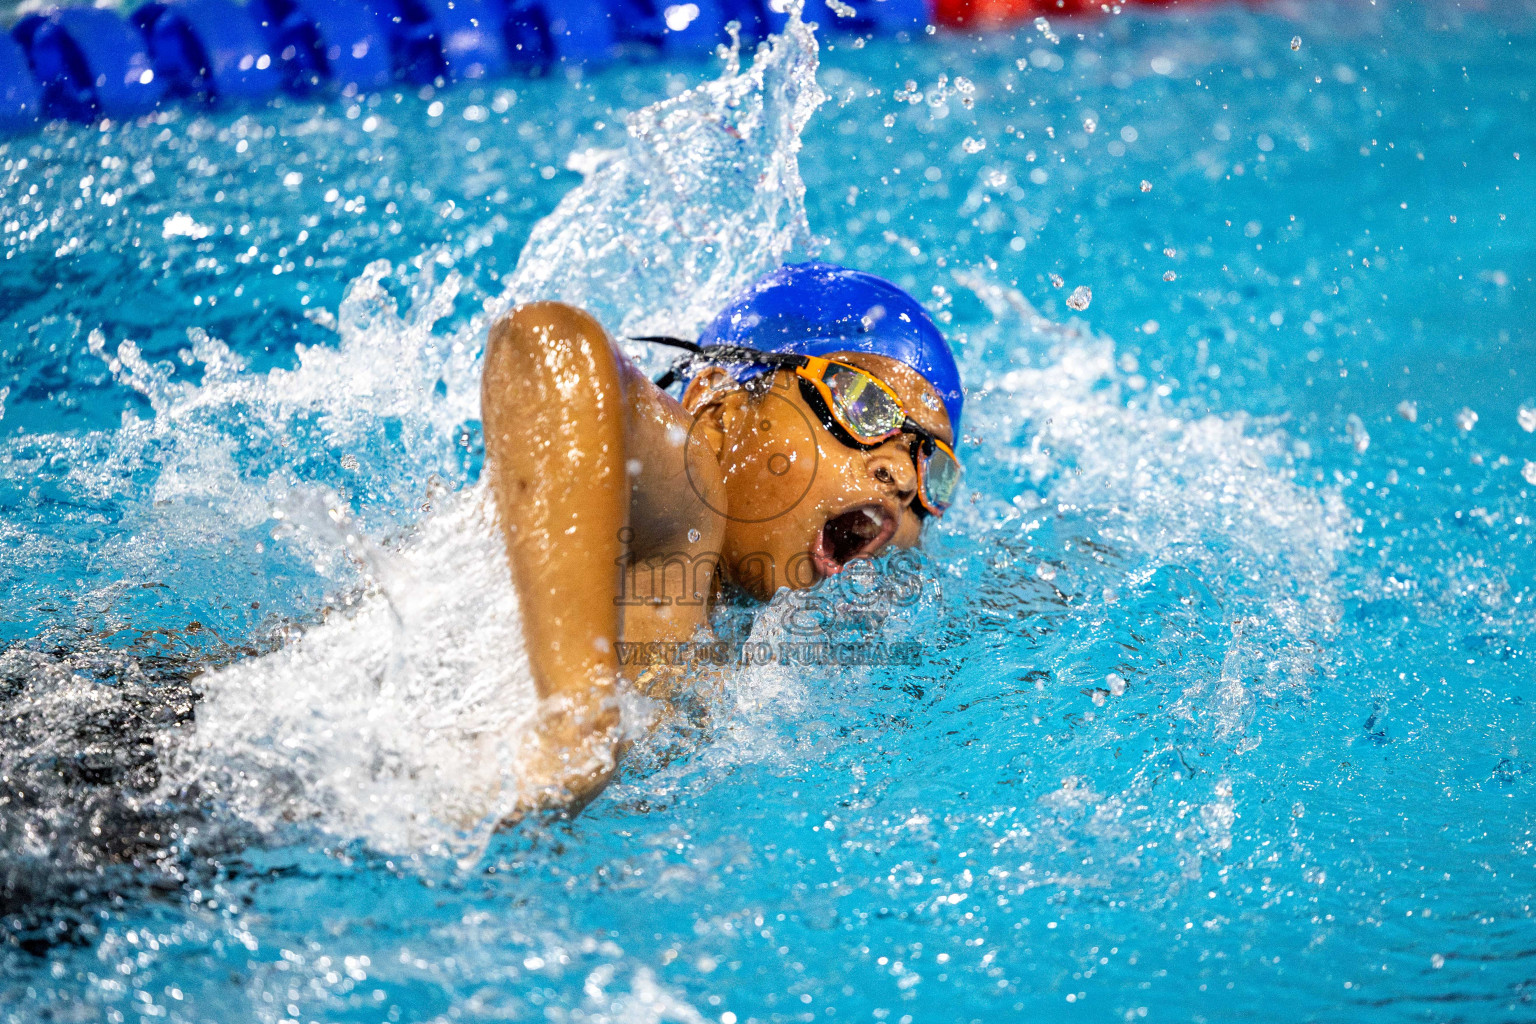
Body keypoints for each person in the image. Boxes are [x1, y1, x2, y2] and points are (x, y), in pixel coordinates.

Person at [481, 261, 964, 816]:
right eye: (863, 405)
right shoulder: (688, 500)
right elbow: (548, 341)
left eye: (934, 467)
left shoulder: (763, 648)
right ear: (717, 408)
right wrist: (579, 716)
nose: (902, 477)